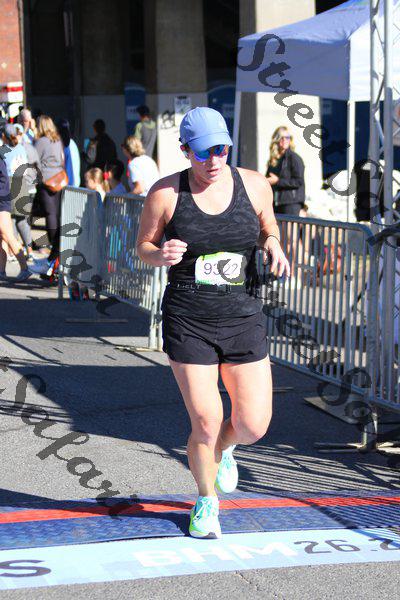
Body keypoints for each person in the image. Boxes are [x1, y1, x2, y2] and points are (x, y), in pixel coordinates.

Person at [136, 107, 290, 539]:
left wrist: (274, 244)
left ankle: (226, 448)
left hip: (243, 316)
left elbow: (268, 226)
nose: (214, 160)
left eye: (221, 149)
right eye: (204, 152)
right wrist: (159, 254)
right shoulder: (166, 193)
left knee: (253, 425)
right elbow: (143, 245)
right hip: (189, 319)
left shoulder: (254, 184)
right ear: (186, 150)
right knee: (205, 420)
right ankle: (206, 500)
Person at [28, 115, 66, 275]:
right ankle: (55, 250)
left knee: (50, 214)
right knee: (56, 214)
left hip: (46, 180)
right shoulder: (57, 140)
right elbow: (62, 160)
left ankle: (53, 249)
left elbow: (33, 160)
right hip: (59, 179)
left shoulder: (41, 141)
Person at [0, 153, 31, 281]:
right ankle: (1, 271)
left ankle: (25, 269)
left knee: (8, 235)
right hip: (3, 199)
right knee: (2, 237)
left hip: (1, 201)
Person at [265, 126, 305, 216]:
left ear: (290, 140)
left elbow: (299, 181)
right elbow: (269, 179)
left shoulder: (294, 158)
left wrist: (278, 181)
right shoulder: (273, 160)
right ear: (276, 140)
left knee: (289, 226)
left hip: (291, 203)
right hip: (276, 204)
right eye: (281, 137)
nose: (284, 140)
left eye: (287, 137)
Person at [57, 118, 81, 188]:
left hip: (69, 186)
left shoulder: (67, 146)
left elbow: (70, 169)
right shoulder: (71, 144)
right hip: (71, 185)